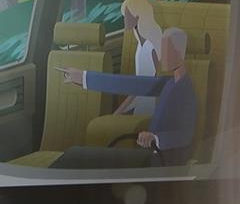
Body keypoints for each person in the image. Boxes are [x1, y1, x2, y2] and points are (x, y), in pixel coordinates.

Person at [56, 28, 196, 169]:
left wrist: (156, 138)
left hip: (162, 160)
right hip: (149, 154)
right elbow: (129, 84)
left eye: (166, 51)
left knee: (77, 157)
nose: (161, 56)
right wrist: (82, 77)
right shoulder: (169, 82)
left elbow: (186, 135)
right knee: (76, 155)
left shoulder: (186, 89)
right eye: (161, 50)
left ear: (180, 52)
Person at [116, 0, 163, 116]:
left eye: (127, 15)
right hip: (140, 107)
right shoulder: (140, 45)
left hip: (150, 111)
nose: (125, 19)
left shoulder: (152, 46)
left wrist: (117, 113)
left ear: (137, 16)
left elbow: (159, 85)